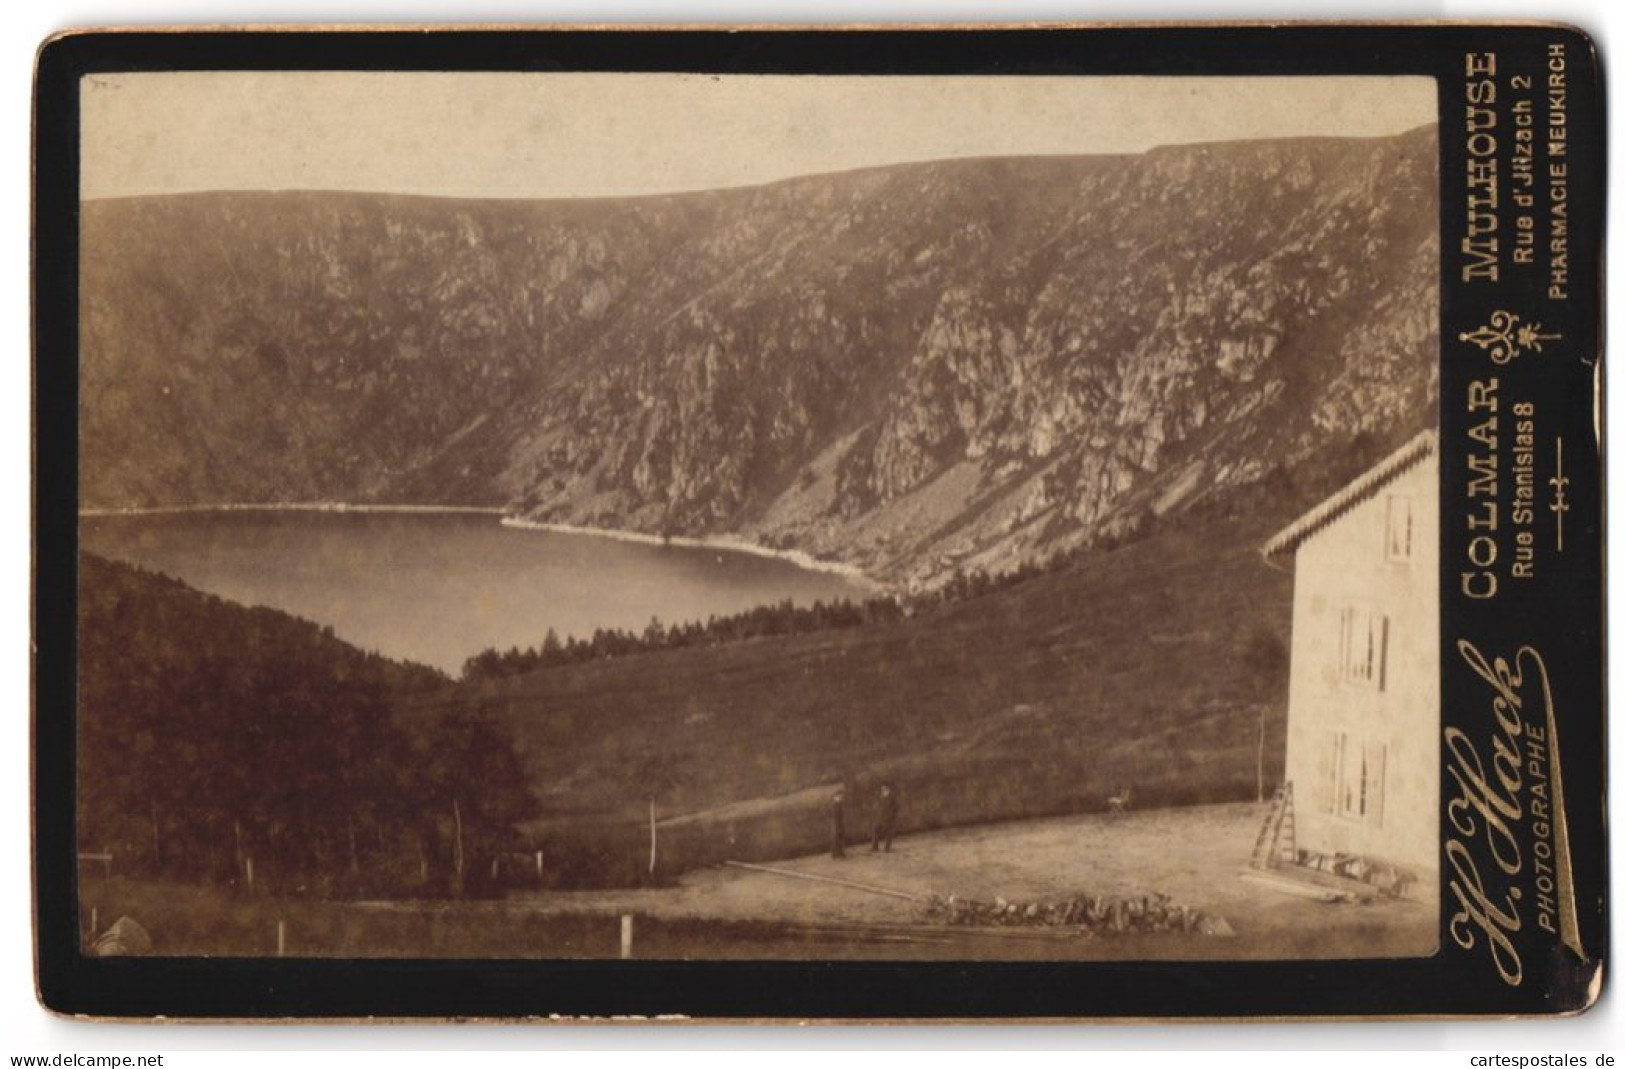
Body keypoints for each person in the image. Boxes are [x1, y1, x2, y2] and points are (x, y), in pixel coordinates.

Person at [871, 782, 898, 853]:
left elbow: (896, 807)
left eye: (885, 789)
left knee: (888, 833)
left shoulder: (892, 798)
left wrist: (891, 815)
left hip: (889, 819)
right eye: (882, 790)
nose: (883, 791)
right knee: (875, 829)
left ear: (888, 789)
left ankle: (887, 848)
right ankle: (875, 847)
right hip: (881, 818)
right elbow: (877, 807)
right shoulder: (880, 797)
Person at [829, 787, 847, 859]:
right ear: (836, 797)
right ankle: (836, 853)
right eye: (840, 796)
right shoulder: (835, 805)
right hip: (836, 823)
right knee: (836, 838)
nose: (841, 798)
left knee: (840, 837)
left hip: (838, 823)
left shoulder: (838, 804)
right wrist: (837, 825)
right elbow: (834, 816)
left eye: (841, 796)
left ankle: (839, 852)